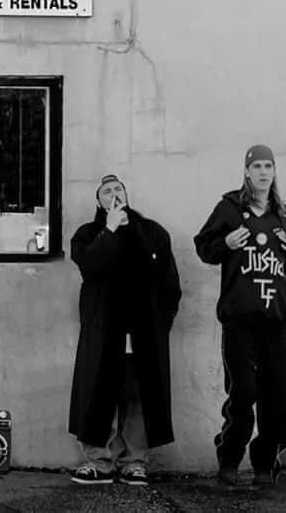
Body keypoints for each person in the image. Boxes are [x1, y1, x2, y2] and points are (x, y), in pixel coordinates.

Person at [68, 174, 182, 486]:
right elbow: (90, 265)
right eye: (107, 191)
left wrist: (161, 321)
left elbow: (168, 282)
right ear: (98, 201)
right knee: (98, 393)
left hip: (143, 330)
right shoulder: (88, 234)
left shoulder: (153, 232)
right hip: (104, 330)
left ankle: (135, 462)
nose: (114, 194)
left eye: (118, 189)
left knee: (138, 395)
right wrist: (110, 229)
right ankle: (98, 461)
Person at [194, 144, 286, 488]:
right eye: (256, 166)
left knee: (276, 397)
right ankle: (230, 455)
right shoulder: (230, 208)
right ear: (247, 172)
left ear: (274, 172)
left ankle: (264, 463)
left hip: (276, 320)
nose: (263, 172)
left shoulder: (282, 215)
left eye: (268, 166)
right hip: (239, 320)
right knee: (243, 392)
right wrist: (226, 244)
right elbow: (204, 245)